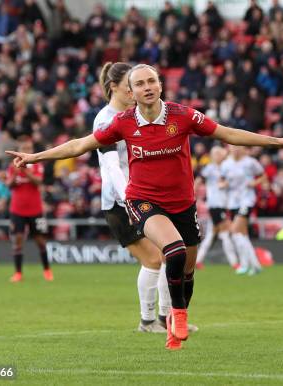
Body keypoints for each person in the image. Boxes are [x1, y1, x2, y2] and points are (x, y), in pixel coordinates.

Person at [6, 64, 283, 350]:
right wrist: (34, 157)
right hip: (142, 201)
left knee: (187, 272)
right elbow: (78, 145)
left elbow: (227, 133)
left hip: (183, 204)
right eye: (139, 83)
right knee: (172, 251)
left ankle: (175, 321)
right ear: (130, 92)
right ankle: (172, 317)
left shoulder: (184, 116)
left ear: (161, 86)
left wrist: (277, 142)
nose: (147, 87)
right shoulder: (122, 122)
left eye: (151, 81)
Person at [96, 61, 175, 334]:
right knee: (154, 259)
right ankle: (148, 321)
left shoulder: (136, 115)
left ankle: (165, 319)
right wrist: (128, 197)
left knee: (168, 254)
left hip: (145, 197)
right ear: (115, 87)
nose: (135, 89)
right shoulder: (105, 120)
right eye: (130, 83)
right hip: (120, 202)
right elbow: (111, 166)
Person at [6, 138, 52, 282]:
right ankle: (18, 273)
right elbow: (9, 185)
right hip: (17, 210)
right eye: (24, 148)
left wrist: (24, 171)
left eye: (29, 148)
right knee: (17, 241)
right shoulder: (12, 166)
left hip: (35, 210)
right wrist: (14, 175)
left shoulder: (37, 165)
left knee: (40, 241)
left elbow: (39, 181)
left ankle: (47, 270)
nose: (27, 150)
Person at [221, 145, 266, 275]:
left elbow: (263, 176)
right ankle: (255, 265)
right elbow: (221, 181)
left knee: (235, 231)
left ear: (242, 148)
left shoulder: (250, 162)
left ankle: (245, 264)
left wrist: (254, 183)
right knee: (242, 235)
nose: (235, 149)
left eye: (237, 147)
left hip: (247, 200)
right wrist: (223, 185)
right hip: (232, 203)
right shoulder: (226, 164)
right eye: (233, 147)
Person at [195, 146, 239, 270]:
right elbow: (198, 181)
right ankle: (234, 263)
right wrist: (193, 194)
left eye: (219, 154)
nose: (218, 156)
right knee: (225, 233)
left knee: (210, 235)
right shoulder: (210, 169)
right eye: (216, 154)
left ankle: (198, 260)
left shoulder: (226, 167)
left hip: (222, 205)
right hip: (216, 205)